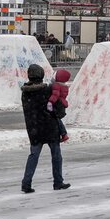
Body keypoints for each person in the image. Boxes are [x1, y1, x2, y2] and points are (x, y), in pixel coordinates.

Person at [21, 64, 69, 193]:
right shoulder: (47, 90)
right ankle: (58, 182)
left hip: (34, 129)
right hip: (50, 127)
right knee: (56, 156)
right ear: (41, 75)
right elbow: (58, 111)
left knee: (33, 156)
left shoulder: (25, 93)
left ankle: (26, 183)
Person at [47, 69, 71, 143]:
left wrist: (50, 102)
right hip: (61, 105)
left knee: (56, 119)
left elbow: (55, 95)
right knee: (57, 120)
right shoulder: (64, 86)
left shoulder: (56, 86)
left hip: (57, 105)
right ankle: (63, 134)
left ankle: (64, 134)